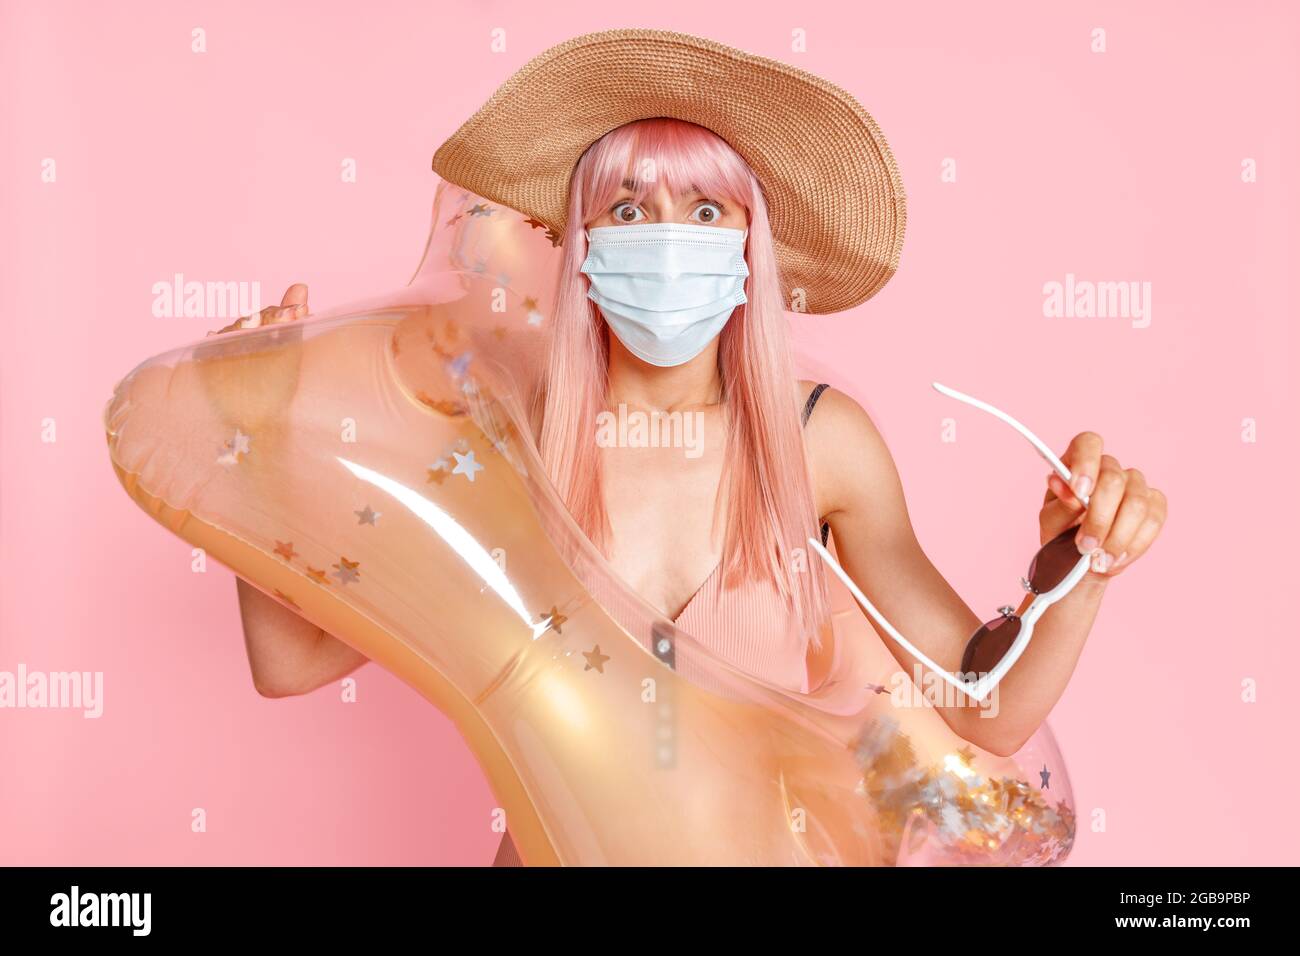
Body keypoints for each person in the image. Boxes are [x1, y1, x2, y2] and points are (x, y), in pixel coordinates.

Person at [217, 29, 1166, 866]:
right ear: (577, 242)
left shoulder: (819, 442)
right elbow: (290, 664)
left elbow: (983, 706)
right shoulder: (506, 444)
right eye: (627, 210)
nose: (666, 243)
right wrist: (252, 437)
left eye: (706, 213)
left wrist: (1082, 562)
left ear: (751, 246)